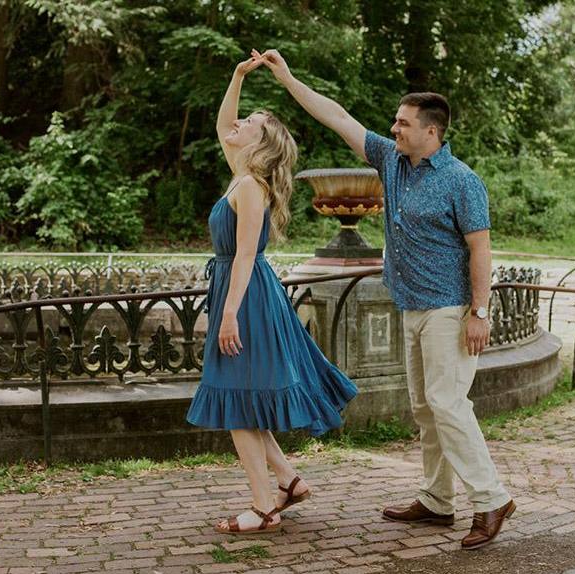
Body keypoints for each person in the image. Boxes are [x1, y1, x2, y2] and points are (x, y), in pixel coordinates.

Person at [258, 49, 515, 550]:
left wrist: (480, 313)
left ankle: (492, 499)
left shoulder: (462, 181)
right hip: (412, 306)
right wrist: (287, 79)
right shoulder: (391, 161)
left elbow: (481, 249)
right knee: (426, 408)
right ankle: (437, 500)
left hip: (450, 308)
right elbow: (338, 117)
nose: (393, 128)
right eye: (395, 121)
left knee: (447, 404)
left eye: (403, 123)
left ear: (431, 132)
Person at [185, 51, 359, 535]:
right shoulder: (241, 175)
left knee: (238, 400)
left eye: (251, 123)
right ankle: (289, 482)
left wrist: (228, 314)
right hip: (241, 291)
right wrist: (237, 76)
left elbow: (245, 255)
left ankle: (264, 508)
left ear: (261, 144)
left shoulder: (250, 186)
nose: (239, 123)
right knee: (241, 395)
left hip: (246, 297)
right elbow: (223, 125)